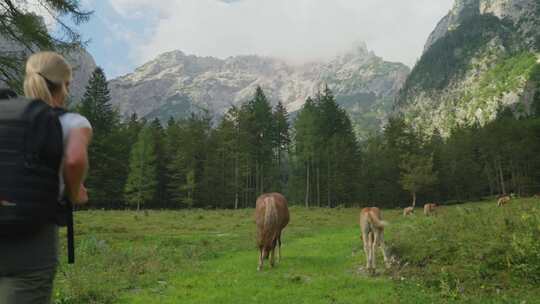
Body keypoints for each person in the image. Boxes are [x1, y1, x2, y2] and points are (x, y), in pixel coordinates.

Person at [0, 51, 92, 304]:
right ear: (66, 85)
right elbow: (75, 159)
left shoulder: (6, 115)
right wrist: (74, 193)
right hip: (32, 237)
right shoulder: (71, 121)